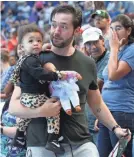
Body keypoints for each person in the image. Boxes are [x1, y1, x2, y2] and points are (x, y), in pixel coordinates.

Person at [9, 5, 131, 157]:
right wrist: (41, 111)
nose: (56, 31)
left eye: (64, 26)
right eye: (54, 24)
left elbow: (96, 103)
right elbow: (13, 107)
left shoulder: (88, 63)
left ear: (77, 31)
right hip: (41, 145)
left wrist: (115, 128)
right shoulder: (34, 60)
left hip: (81, 144)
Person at [11, 23, 82, 154]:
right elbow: (40, 73)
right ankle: (53, 139)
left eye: (39, 41)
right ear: (22, 46)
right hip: (33, 96)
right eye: (31, 41)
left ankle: (20, 136)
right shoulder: (30, 61)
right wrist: (57, 75)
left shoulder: (25, 59)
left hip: (26, 97)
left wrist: (42, 49)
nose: (36, 44)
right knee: (53, 111)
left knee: (26, 117)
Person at [97, 14, 134, 157]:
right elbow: (107, 82)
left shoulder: (131, 50)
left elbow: (113, 75)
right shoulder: (117, 51)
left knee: (120, 155)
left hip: (122, 111)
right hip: (107, 112)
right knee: (103, 154)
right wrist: (101, 114)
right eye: (112, 29)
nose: (114, 32)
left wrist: (113, 49)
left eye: (118, 28)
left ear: (129, 30)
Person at [82, 27, 110, 144]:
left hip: (101, 119)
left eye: (95, 42)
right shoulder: (88, 60)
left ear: (102, 40)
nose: (92, 47)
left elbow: (96, 84)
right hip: (87, 120)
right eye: (88, 44)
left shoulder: (109, 59)